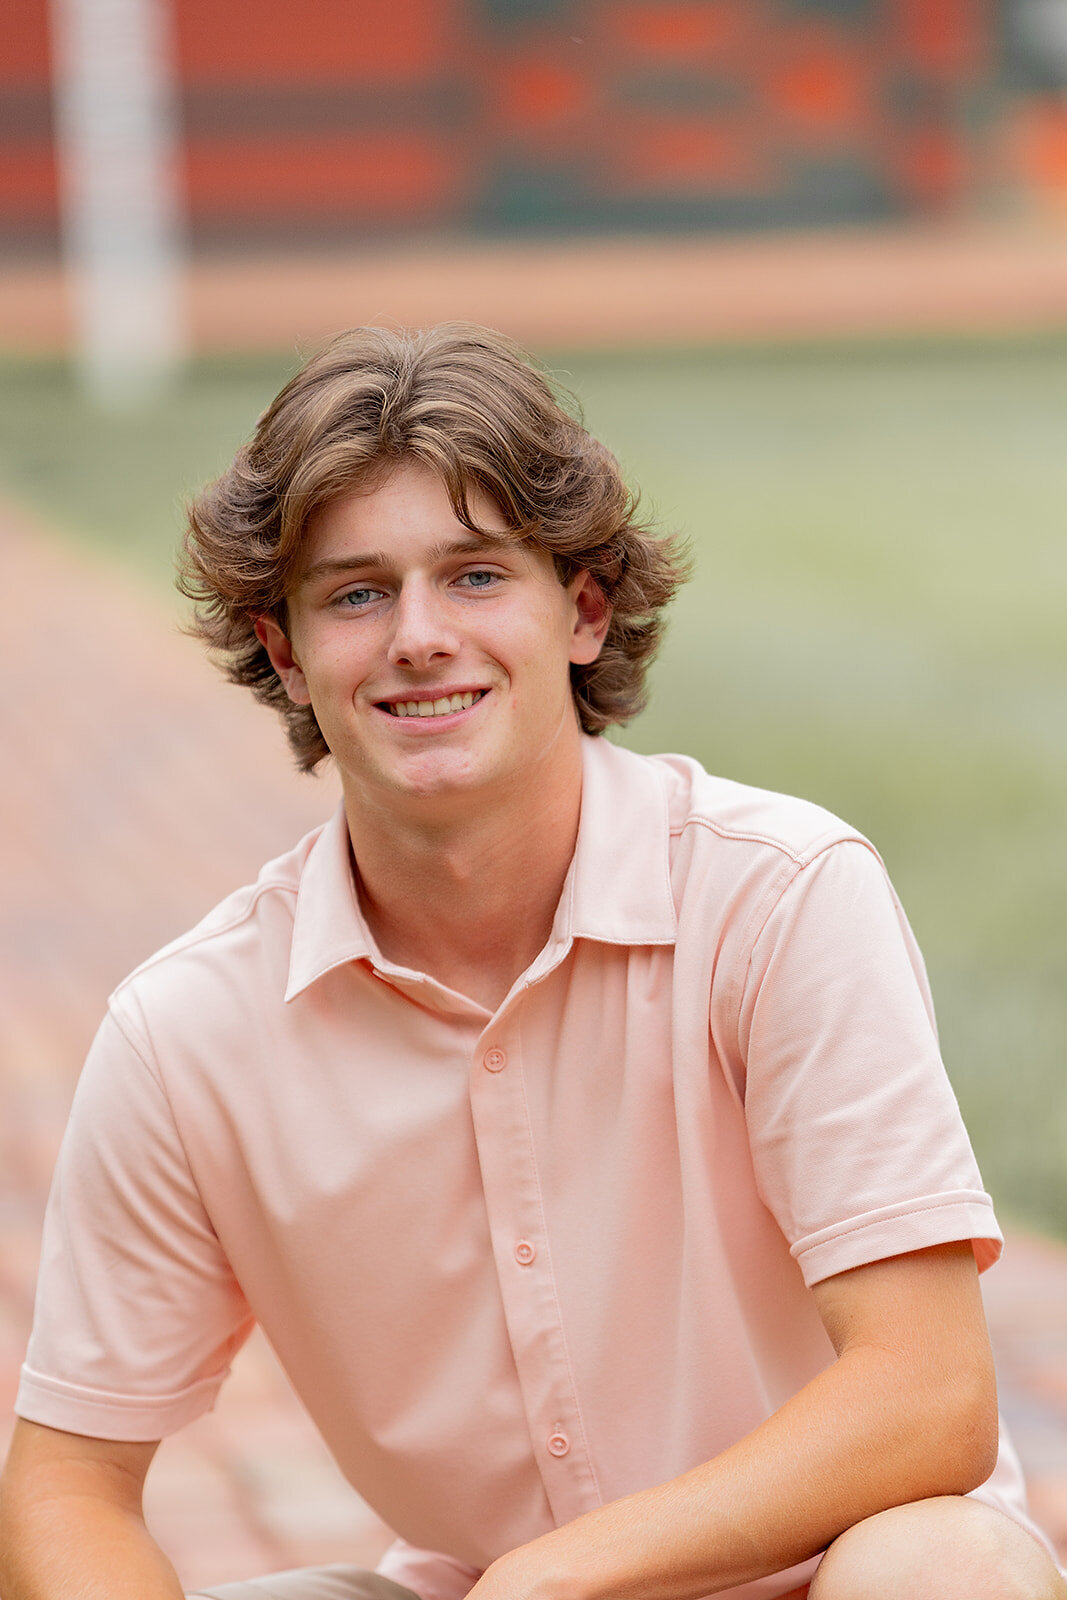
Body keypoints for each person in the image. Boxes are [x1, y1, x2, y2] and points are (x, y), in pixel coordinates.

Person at [0, 323, 1063, 1600]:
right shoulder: (187, 1036)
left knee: (944, 1566)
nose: (417, 636)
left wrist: (554, 1579)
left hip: (820, 1570)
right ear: (283, 654)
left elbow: (928, 1392)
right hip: (469, 1588)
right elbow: (66, 1482)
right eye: (353, 592)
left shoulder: (776, 895)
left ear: (584, 609)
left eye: (474, 576)